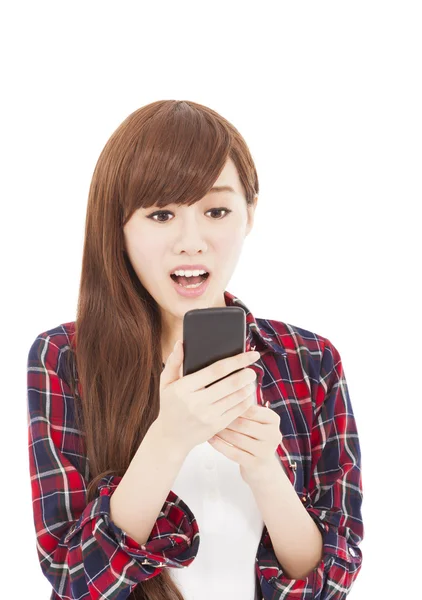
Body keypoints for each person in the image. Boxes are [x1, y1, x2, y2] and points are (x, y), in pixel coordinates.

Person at [26, 99, 364, 600]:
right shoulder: (65, 358)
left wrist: (264, 469)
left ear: (249, 215)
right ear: (118, 227)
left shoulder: (309, 361)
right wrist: (168, 438)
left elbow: (331, 580)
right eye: (161, 213)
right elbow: (76, 580)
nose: (191, 240)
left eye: (216, 210)